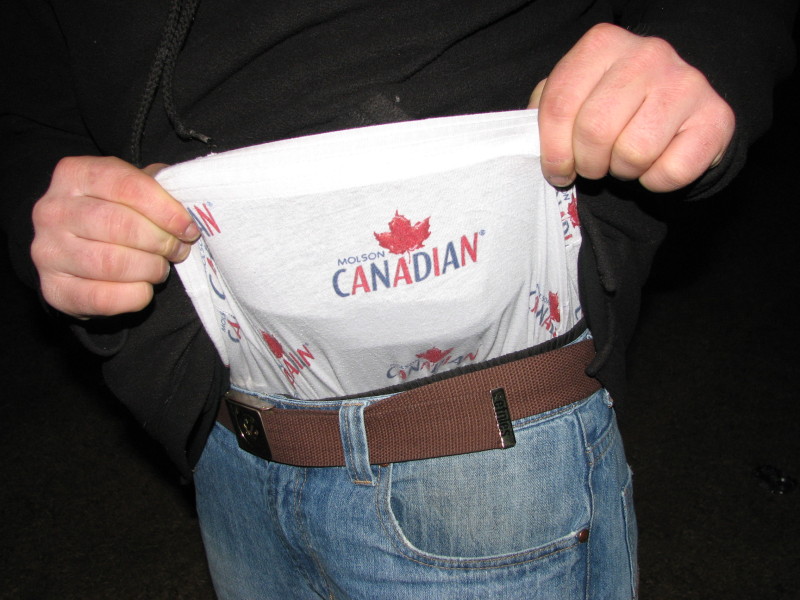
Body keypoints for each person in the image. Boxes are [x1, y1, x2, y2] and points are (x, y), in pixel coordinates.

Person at [1, 1, 795, 598]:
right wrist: (53, 211)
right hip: (221, 426)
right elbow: (28, 104)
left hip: (483, 445)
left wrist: (700, 56)